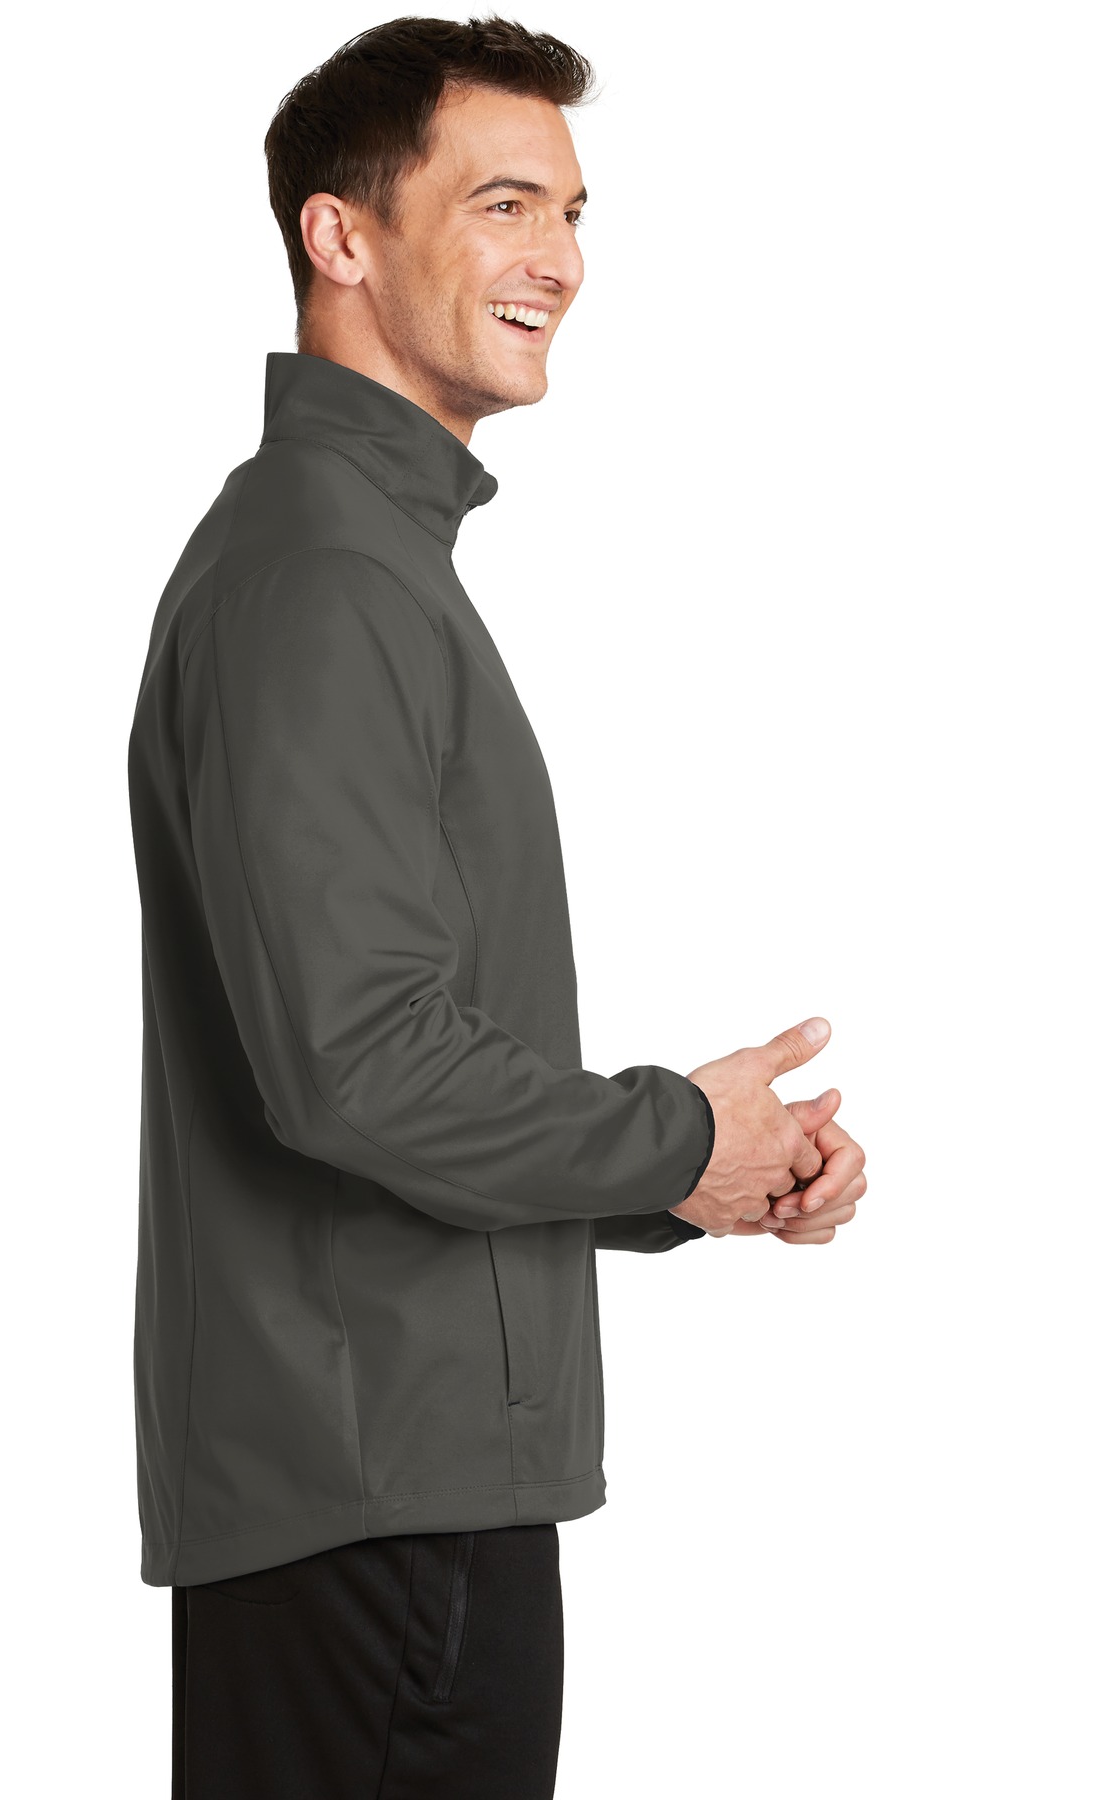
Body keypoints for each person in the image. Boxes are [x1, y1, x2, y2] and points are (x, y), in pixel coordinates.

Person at [126, 16, 868, 1798]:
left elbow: (384, 1064)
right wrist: (674, 1132)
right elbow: (362, 1070)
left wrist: (700, 1171)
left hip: (390, 1483)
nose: (561, 260)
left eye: (574, 211)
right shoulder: (322, 575)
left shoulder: (362, 559)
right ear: (342, 235)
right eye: (504, 202)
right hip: (376, 1501)